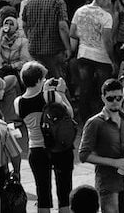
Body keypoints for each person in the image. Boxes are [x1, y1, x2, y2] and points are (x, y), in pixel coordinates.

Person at [16, 62, 75, 213]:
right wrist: (61, 92)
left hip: (36, 149)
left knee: (42, 193)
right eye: (43, 78)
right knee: (64, 191)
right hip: (59, 148)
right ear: (38, 80)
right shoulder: (50, 96)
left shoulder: (19, 102)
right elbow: (70, 114)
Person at [79, 79, 124, 213]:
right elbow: (83, 155)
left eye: (119, 98)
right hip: (107, 183)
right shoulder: (95, 123)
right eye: (110, 98)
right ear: (103, 98)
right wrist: (114, 162)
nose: (115, 101)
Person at [72, 0, 117, 121]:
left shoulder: (80, 11)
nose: (109, 3)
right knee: (104, 89)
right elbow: (108, 41)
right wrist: (113, 61)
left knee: (85, 87)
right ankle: (103, 117)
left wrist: (85, 37)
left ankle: (85, 118)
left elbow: (72, 32)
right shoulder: (106, 16)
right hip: (102, 57)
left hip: (83, 54)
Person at [20, 0, 71, 77]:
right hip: (53, 49)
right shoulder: (58, 2)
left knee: (40, 79)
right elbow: (62, 27)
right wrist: (68, 48)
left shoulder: (28, 1)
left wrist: (31, 39)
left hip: (34, 49)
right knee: (58, 79)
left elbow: (24, 25)